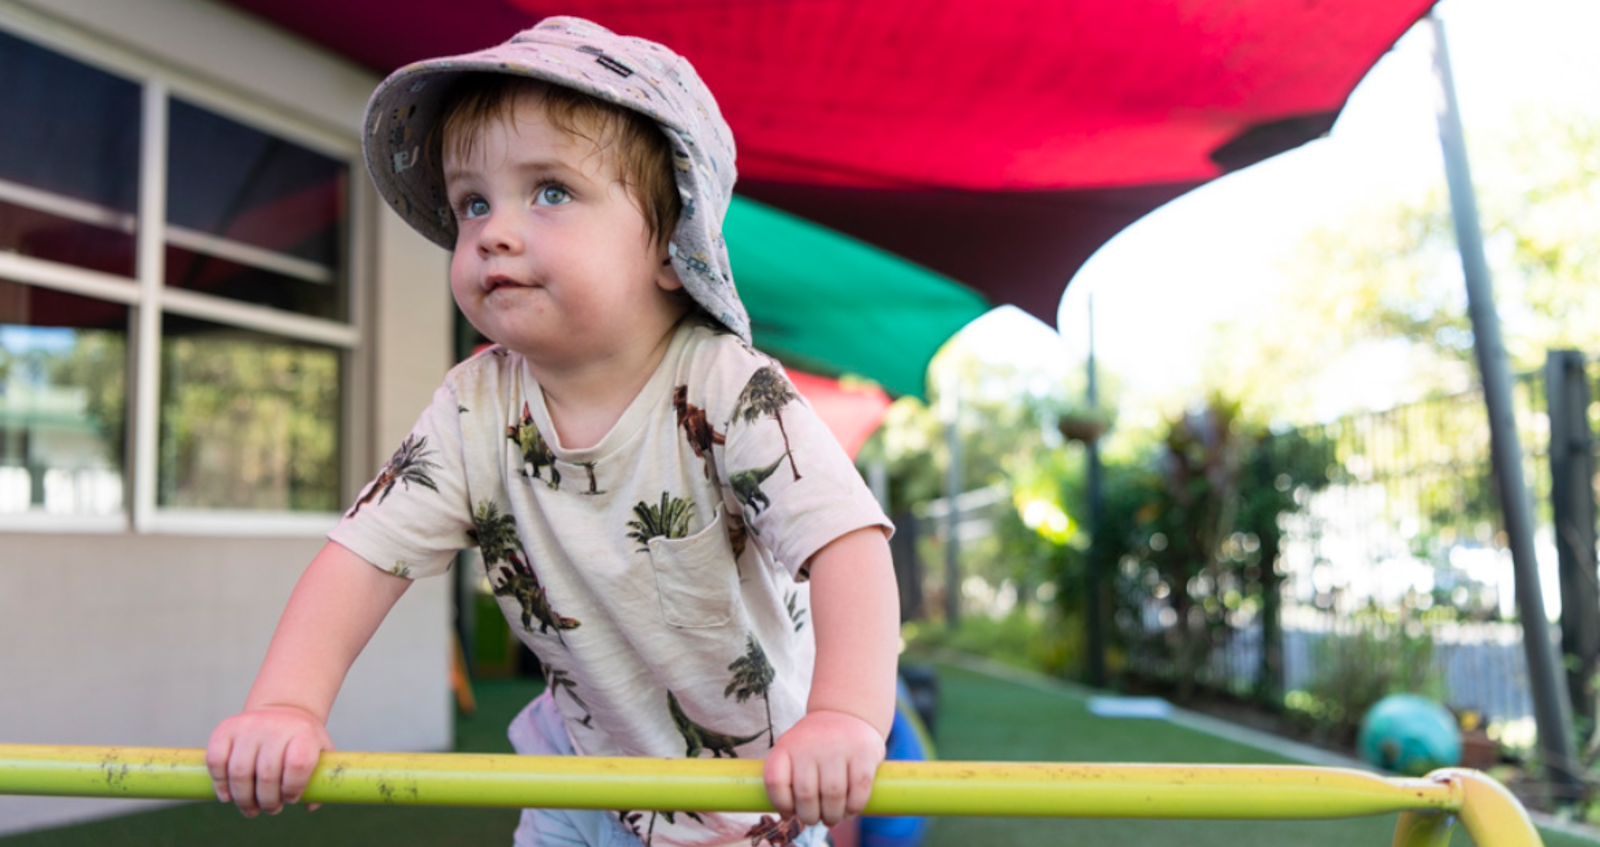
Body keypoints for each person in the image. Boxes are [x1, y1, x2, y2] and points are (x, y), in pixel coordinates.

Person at [205, 15, 900, 847]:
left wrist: (845, 717)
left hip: (748, 797)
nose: (493, 229)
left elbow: (848, 544)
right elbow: (361, 557)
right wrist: (288, 701)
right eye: (472, 201)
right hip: (577, 774)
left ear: (672, 247)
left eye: (551, 191)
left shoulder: (727, 386)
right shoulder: (475, 405)